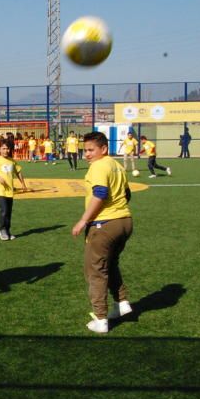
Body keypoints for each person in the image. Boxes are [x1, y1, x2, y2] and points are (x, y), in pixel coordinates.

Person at [71, 132, 134, 334]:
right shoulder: (117, 165)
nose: (86, 155)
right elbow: (127, 194)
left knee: (96, 271)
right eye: (85, 150)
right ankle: (122, 303)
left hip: (104, 225)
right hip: (125, 221)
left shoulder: (99, 166)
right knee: (110, 263)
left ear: (103, 149)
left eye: (91, 150)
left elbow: (100, 194)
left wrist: (84, 220)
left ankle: (101, 319)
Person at [0, 141, 27, 240]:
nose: (6, 151)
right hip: (0, 190)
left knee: (8, 212)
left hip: (10, 190)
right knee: (4, 210)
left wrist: (23, 184)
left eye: (7, 149)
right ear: (0, 149)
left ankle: (8, 231)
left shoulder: (12, 161)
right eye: (4, 148)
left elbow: (18, 172)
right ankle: (2, 230)